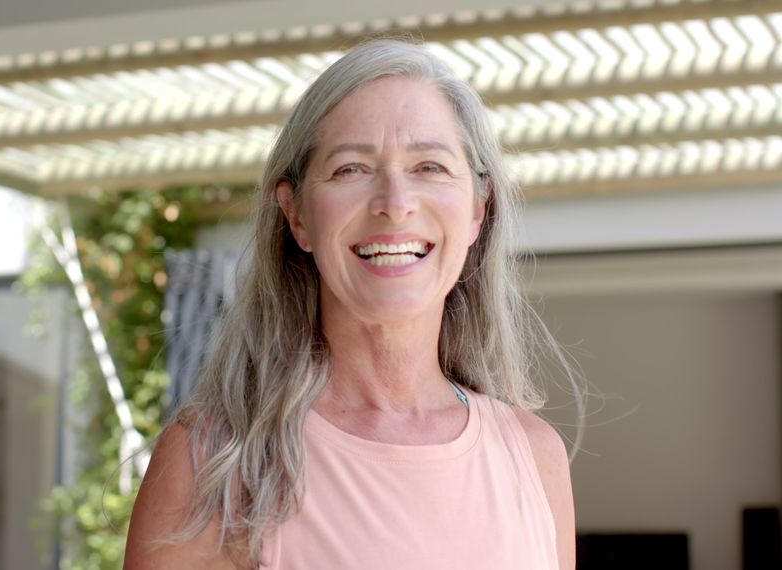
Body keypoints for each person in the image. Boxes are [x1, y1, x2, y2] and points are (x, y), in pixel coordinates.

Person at [125, 38, 577, 570]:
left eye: (429, 167)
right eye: (351, 169)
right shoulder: (212, 462)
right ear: (296, 216)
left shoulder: (533, 456)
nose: (395, 204)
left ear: (478, 211)